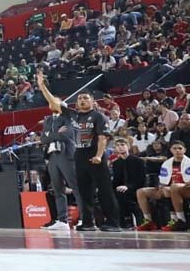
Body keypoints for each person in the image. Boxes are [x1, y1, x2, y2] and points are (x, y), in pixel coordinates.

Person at [36, 72, 122, 232]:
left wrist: (98, 155)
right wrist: (42, 86)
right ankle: (88, 223)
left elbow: (103, 138)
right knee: (84, 191)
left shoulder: (98, 116)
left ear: (92, 101)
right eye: (80, 98)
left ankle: (113, 222)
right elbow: (54, 103)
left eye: (86, 98)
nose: (82, 100)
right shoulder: (73, 115)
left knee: (104, 190)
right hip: (79, 155)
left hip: (95, 154)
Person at [136, 140, 189, 232]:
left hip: (185, 189)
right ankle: (148, 221)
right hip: (169, 189)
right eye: (175, 148)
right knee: (141, 192)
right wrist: (160, 186)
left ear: (185, 150)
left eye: (180, 148)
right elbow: (163, 180)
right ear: (171, 150)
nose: (177, 151)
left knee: (173, 187)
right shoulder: (167, 163)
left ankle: (179, 220)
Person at [40, 112, 80, 231]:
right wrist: (56, 133)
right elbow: (43, 139)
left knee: (75, 187)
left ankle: (85, 219)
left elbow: (65, 135)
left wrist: (50, 135)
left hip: (66, 154)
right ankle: (62, 220)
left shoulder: (68, 117)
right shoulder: (48, 120)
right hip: (52, 155)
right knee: (57, 189)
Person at [110, 137, 147, 228]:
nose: (120, 147)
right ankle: (117, 220)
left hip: (136, 188)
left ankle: (128, 219)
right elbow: (116, 181)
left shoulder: (138, 161)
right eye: (117, 145)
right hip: (121, 189)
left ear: (128, 146)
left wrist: (128, 187)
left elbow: (141, 179)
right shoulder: (116, 163)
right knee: (111, 194)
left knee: (122, 194)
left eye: (122, 145)